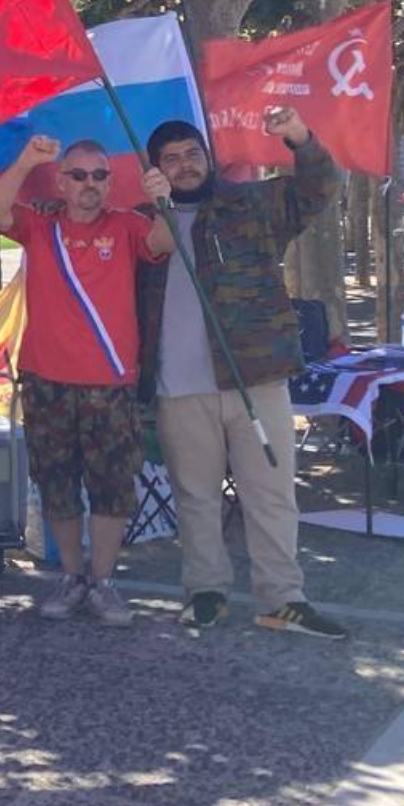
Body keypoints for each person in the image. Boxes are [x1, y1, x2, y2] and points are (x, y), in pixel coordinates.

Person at [140, 109, 347, 639]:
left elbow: (320, 188)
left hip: (255, 380)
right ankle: (205, 592)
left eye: (192, 154)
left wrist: (298, 136)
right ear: (155, 169)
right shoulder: (142, 222)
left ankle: (283, 599)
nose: (185, 165)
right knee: (196, 497)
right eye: (171, 159)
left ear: (208, 157)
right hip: (179, 389)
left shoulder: (252, 204)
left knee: (271, 493)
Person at [0, 136, 174, 625]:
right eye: (79, 175)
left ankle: (103, 582)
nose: (90, 184)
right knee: (57, 484)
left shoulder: (127, 225)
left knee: (112, 486)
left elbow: (165, 242)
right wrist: (26, 161)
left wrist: (163, 200)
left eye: (99, 175)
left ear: (110, 182)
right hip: (47, 380)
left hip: (109, 383)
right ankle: (72, 577)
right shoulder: (40, 225)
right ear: (61, 182)